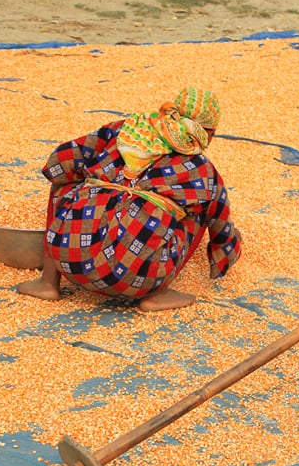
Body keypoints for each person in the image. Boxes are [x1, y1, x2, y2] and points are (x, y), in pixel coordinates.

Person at [17, 87, 242, 312]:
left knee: (62, 179)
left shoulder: (123, 131)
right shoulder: (201, 169)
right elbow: (222, 229)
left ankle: (48, 281)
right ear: (208, 131)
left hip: (69, 261)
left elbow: (61, 158)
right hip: (137, 280)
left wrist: (96, 186)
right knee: (199, 209)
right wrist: (224, 259)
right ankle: (158, 294)